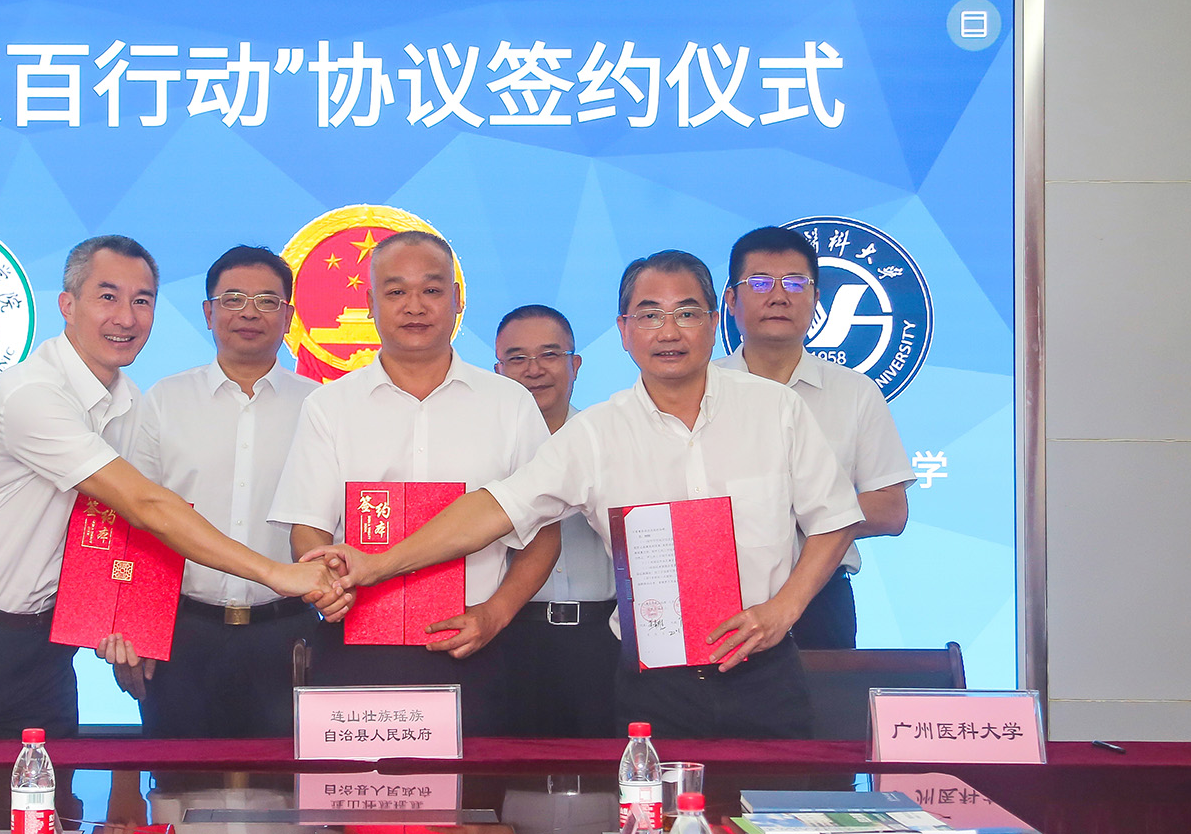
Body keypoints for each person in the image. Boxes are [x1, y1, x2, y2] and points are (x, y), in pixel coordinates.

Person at [307, 250, 864, 739]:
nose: (668, 331)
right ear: (624, 330)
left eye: (687, 313)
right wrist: (380, 564)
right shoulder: (596, 433)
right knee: (653, 811)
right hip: (654, 686)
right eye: (649, 315)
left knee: (773, 811)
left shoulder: (776, 410)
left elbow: (835, 518)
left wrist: (783, 610)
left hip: (766, 670)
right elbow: (496, 508)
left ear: (714, 321)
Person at [0, 235, 346, 739]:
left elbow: (117, 537)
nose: (125, 317)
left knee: (43, 786)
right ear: (67, 304)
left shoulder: (130, 403)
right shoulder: (32, 394)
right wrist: (277, 573)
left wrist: (122, 620)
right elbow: (145, 506)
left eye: (141, 301)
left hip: (45, 644)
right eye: (107, 296)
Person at [269, 231, 559, 737]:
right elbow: (308, 528)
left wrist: (495, 614)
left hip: (475, 646)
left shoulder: (509, 403)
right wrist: (326, 586)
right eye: (396, 291)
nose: (415, 306)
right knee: (357, 786)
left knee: (476, 787)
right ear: (370, 303)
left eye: (431, 289)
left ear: (457, 299)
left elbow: (544, 534)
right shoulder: (330, 406)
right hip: (356, 644)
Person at [101, 245, 320, 737]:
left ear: (288, 317)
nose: (249, 313)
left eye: (267, 301)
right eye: (233, 299)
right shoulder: (164, 400)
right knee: (180, 778)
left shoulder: (320, 407)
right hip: (182, 635)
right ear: (207, 312)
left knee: (290, 780)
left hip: (290, 634)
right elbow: (134, 521)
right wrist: (132, 625)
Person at [718, 226, 914, 649]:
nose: (778, 296)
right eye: (760, 283)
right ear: (730, 300)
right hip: (721, 590)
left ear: (816, 298)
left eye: (795, 283)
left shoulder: (855, 391)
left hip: (821, 598)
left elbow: (890, 509)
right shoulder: (702, 389)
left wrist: (777, 511)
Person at [491, 305, 619, 737]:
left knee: (605, 766)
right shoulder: (483, 451)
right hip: (510, 633)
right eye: (517, 359)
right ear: (498, 371)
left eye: (549, 355)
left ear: (575, 365)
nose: (534, 370)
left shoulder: (609, 440)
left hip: (602, 638)